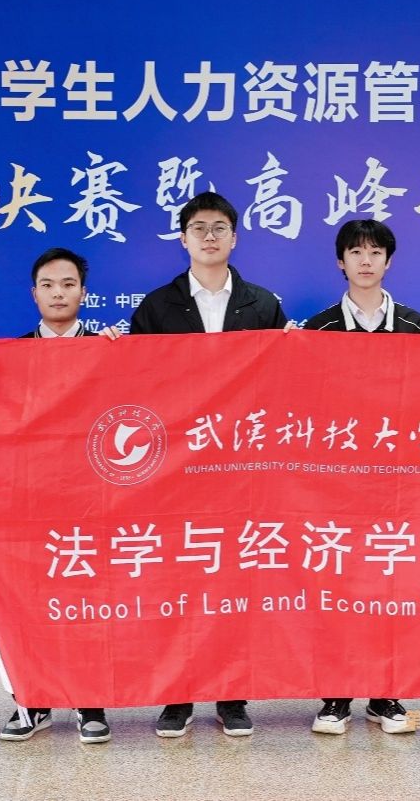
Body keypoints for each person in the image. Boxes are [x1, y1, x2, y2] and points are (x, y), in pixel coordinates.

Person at [104, 191, 287, 737]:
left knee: (237, 580)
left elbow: (284, 385)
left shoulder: (262, 305)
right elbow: (133, 383)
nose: (209, 236)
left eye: (219, 227)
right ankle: (177, 695)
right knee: (178, 580)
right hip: (175, 470)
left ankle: (232, 695)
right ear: (183, 238)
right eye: (199, 228)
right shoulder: (158, 306)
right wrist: (108, 350)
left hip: (242, 468)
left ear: (235, 237)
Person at [0, 248, 110, 744]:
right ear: (34, 294)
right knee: (32, 602)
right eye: (48, 285)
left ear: (83, 292)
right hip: (30, 501)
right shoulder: (10, 356)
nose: (58, 293)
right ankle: (33, 702)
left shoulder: (109, 349)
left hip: (93, 500)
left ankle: (91, 703)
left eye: (68, 284)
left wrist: (122, 357)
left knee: (89, 602)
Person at [304, 219, 420, 734]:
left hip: (398, 485)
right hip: (335, 484)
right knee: (338, 588)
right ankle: (336, 696)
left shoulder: (417, 327)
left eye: (375, 252)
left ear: (388, 261)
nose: (365, 261)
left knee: (392, 586)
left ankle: (385, 693)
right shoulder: (318, 329)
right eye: (355, 252)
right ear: (341, 261)